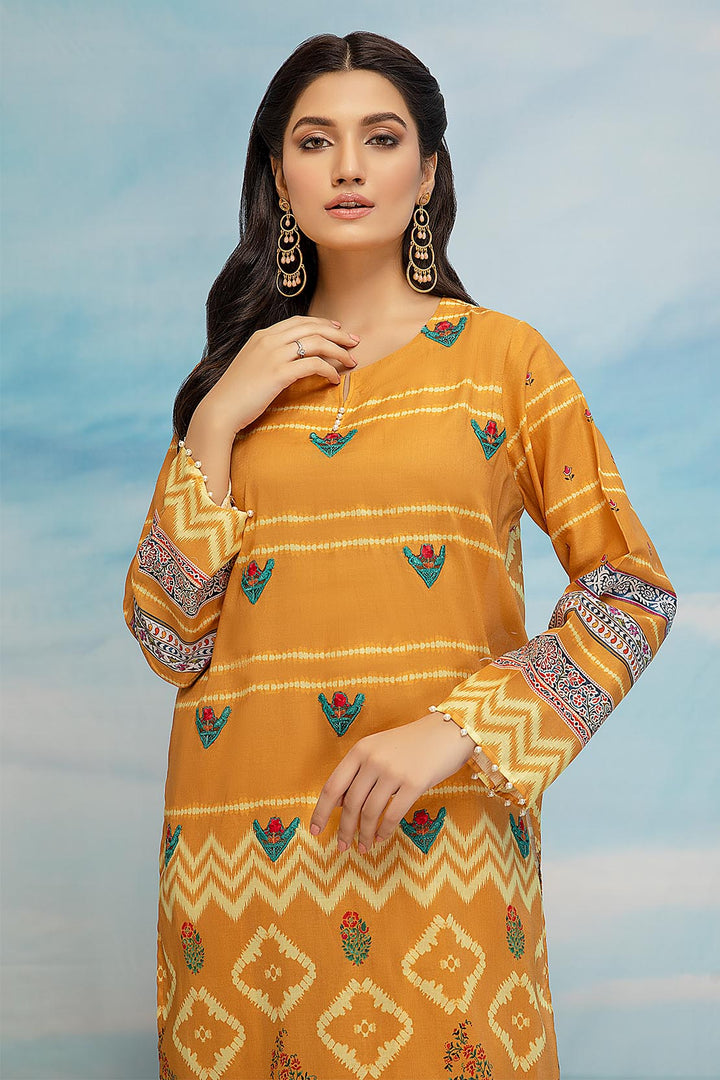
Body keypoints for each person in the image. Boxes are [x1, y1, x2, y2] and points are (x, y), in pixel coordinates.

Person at [122, 30, 677, 1080]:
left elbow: (628, 593)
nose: (347, 166)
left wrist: (460, 729)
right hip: (237, 879)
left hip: (442, 852)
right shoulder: (237, 386)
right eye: (314, 141)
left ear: (425, 174)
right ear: (278, 178)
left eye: (380, 139)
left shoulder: (504, 360)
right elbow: (167, 639)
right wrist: (217, 421)